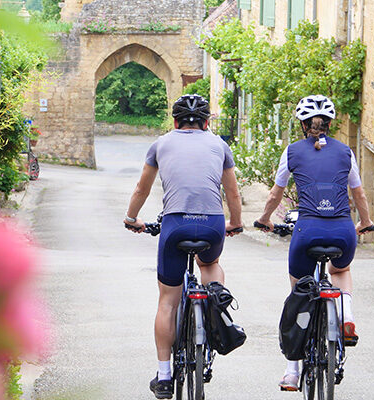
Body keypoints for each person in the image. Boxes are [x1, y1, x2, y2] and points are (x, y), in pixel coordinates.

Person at [124, 94, 243, 399]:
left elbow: (142, 187)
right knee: (209, 264)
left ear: (175, 122)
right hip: (212, 224)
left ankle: (164, 377)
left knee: (168, 301)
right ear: (206, 123)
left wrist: (132, 218)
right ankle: (215, 302)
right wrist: (236, 224)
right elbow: (232, 193)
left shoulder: (161, 144)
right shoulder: (220, 145)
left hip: (176, 225)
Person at [254, 94, 374, 391]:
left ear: (302, 125)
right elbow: (358, 195)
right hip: (343, 230)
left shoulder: (292, 152)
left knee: (299, 292)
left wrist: (265, 219)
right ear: (330, 124)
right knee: (340, 271)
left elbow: (275, 194)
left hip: (307, 230)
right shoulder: (346, 152)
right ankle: (345, 312)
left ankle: (292, 371)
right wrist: (365, 223)